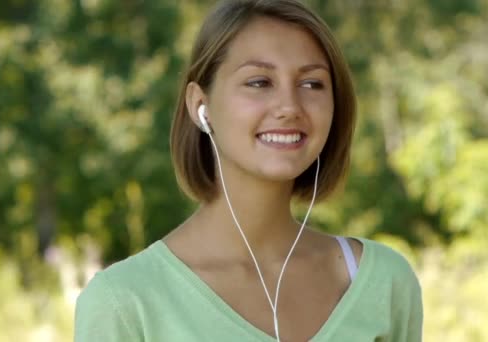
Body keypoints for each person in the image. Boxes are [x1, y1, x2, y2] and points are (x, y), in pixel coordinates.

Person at [74, 0, 423, 341]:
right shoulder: (124, 301)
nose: (289, 107)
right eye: (259, 82)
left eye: (312, 83)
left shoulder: (384, 282)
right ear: (200, 105)